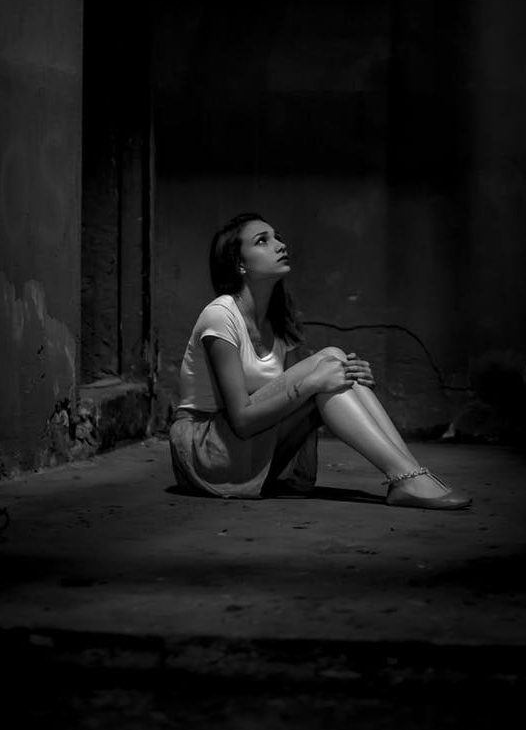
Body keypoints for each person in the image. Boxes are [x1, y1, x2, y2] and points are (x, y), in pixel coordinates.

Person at [169, 212, 471, 509]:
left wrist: (348, 377)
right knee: (326, 366)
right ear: (240, 264)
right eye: (263, 241)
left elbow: (293, 397)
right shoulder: (220, 316)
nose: (279, 245)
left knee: (335, 360)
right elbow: (243, 421)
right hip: (207, 450)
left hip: (250, 449)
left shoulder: (277, 322)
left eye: (278, 237)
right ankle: (407, 476)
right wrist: (315, 381)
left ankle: (409, 473)